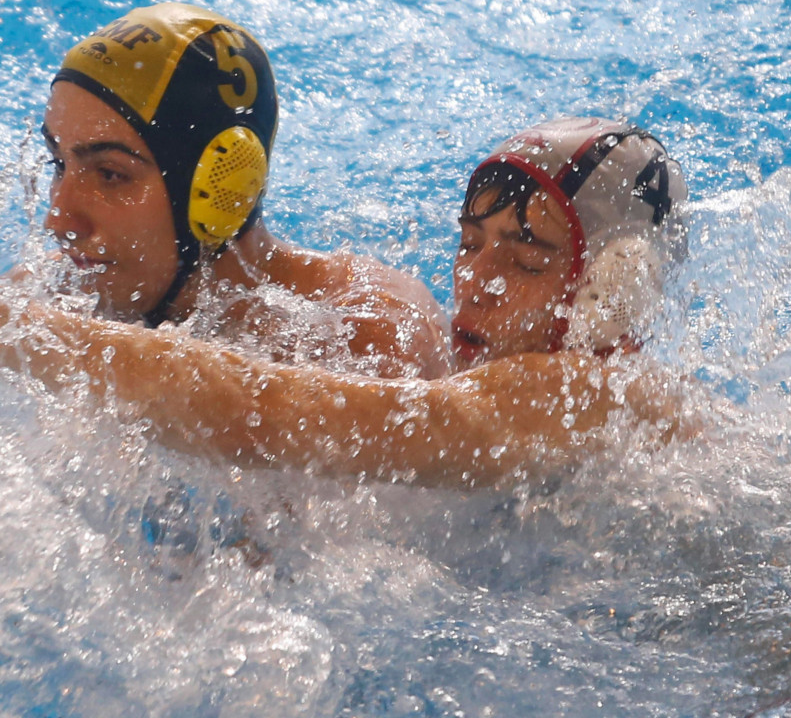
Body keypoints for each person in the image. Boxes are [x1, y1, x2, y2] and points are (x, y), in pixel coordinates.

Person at [0, 116, 693, 489]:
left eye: (524, 259)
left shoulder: (588, 394)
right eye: (471, 243)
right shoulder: (484, 374)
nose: (476, 280)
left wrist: (20, 327)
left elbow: (268, 419)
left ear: (607, 293)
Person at [31, 1, 450, 378]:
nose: (59, 220)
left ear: (218, 183)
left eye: (109, 174)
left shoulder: (363, 337)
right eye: (58, 164)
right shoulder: (57, 289)